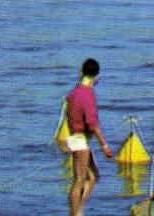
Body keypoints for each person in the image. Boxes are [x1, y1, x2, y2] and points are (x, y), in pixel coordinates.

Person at [64, 58, 112, 216]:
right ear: (96, 77)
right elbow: (92, 123)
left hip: (76, 138)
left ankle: (78, 211)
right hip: (80, 140)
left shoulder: (74, 93)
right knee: (79, 180)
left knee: (92, 176)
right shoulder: (87, 94)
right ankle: (75, 213)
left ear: (81, 73)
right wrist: (104, 145)